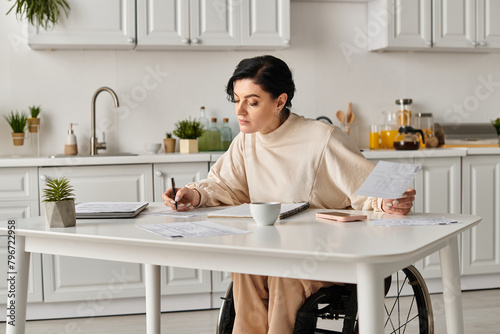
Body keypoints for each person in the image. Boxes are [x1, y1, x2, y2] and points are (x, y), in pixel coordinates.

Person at [162, 55, 415, 334]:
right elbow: (225, 185)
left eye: (252, 102)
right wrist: (193, 195)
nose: (240, 111)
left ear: (280, 101)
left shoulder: (321, 138)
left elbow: (367, 189)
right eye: (236, 99)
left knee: (283, 273)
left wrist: (389, 201)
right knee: (245, 268)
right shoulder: (245, 141)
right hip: (272, 253)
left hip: (325, 254)